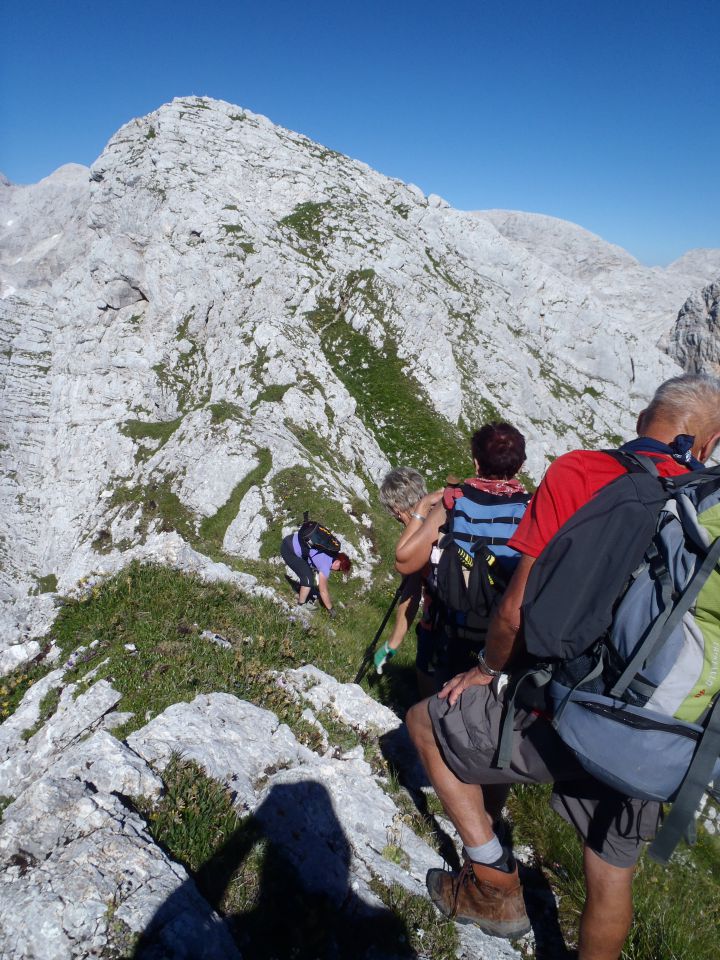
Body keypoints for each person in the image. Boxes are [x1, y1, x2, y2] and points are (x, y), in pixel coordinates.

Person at [404, 374, 720, 956]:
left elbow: (515, 611)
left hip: (565, 706)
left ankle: (494, 886)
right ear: (707, 443)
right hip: (655, 731)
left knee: (426, 722)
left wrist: (487, 669)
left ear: (645, 415)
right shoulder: (704, 504)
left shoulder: (582, 472)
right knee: (609, 878)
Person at [395, 422, 529, 683]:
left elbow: (404, 561)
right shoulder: (533, 510)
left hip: (453, 627)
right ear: (520, 466)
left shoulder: (455, 500)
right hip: (504, 636)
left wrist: (422, 507)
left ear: (476, 462)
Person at [377, 467, 440, 698]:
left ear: (396, 510)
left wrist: (391, 645)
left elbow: (412, 590)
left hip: (438, 625)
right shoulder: (449, 513)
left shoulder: (416, 537)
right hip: (478, 621)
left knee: (430, 699)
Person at [281, 529, 351, 618]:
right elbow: (323, 591)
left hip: (290, 540)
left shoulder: (330, 550)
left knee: (307, 572)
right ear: (338, 562)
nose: (336, 571)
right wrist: (331, 609)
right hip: (289, 550)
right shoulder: (326, 565)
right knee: (308, 579)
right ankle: (301, 605)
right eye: (339, 569)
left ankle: (299, 593)